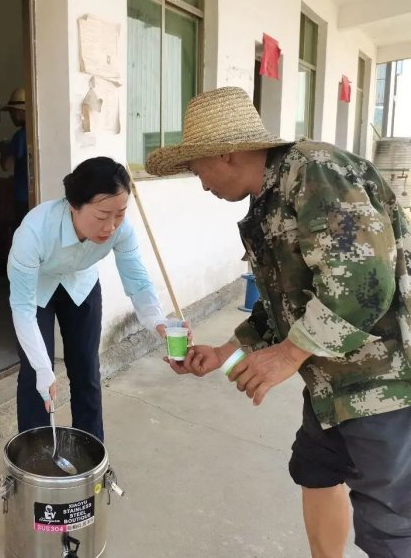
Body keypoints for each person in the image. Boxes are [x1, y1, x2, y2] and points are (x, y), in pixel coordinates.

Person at [145, 86, 411, 558]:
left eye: (198, 169)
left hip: (381, 380)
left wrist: (288, 354)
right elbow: (281, 303)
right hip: (330, 380)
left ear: (226, 154)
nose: (200, 184)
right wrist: (226, 353)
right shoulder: (267, 199)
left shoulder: (316, 172)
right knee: (316, 470)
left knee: (390, 523)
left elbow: (363, 282)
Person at [8, 156, 187, 442]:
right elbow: (22, 309)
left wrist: (158, 320)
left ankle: (90, 450)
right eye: (102, 216)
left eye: (120, 214)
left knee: (87, 371)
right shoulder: (33, 232)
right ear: (73, 205)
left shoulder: (121, 230)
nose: (111, 226)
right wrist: (43, 368)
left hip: (81, 285)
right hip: (38, 291)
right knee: (35, 375)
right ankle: (34, 453)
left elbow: (138, 282)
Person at [0, 87, 29, 224]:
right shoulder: (35, 133)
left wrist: (4, 150)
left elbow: (7, 165)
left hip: (22, 197)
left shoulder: (20, 136)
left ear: (20, 112)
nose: (11, 116)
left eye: (12, 112)